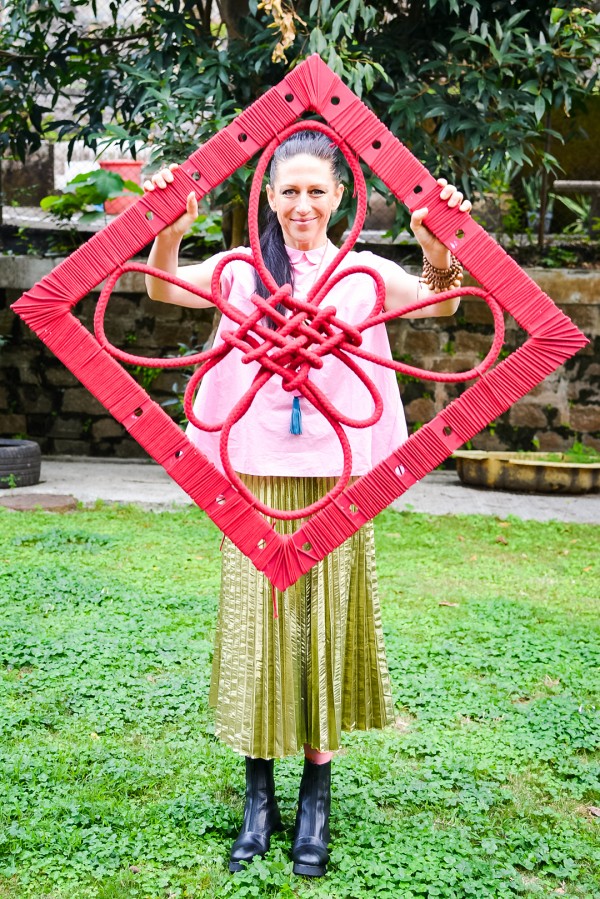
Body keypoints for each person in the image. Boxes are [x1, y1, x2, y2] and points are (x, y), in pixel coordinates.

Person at [143, 130, 472, 878]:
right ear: (267, 193)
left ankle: (315, 797)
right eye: (288, 190)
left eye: (316, 191)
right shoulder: (241, 271)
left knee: (322, 626)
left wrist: (438, 240)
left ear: (341, 197)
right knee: (261, 628)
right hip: (253, 474)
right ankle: (259, 797)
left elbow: (441, 305)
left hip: (337, 477)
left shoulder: (361, 274)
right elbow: (162, 288)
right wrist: (166, 234)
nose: (301, 205)